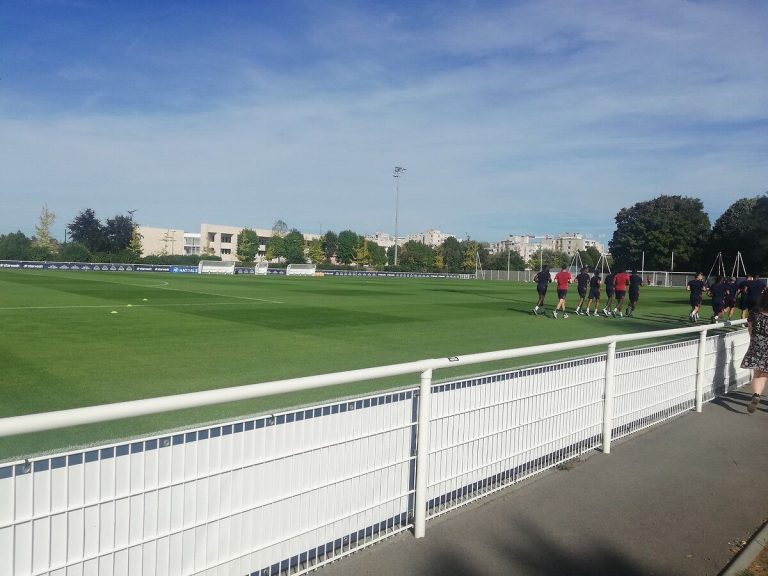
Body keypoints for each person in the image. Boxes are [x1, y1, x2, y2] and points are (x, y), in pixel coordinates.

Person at [740, 289, 768, 413]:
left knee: (759, 373)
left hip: (757, 343)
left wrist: (755, 340)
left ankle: (756, 395)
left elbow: (750, 329)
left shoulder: (755, 311)